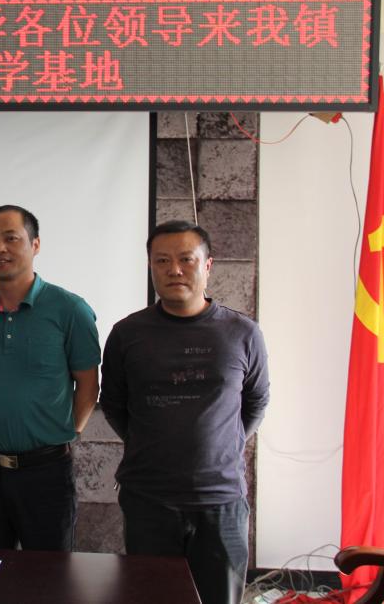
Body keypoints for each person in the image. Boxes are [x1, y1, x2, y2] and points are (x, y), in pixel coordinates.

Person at [100, 219, 270, 604]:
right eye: (162, 261)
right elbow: (114, 404)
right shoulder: (127, 334)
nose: (174, 269)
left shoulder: (243, 333)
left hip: (221, 501)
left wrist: (221, 444)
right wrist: (153, 443)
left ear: (208, 265)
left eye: (186, 259)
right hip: (149, 499)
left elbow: (256, 402)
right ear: (150, 266)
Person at [0, 205, 100, 551]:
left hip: (46, 474)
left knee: (49, 575)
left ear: (35, 245)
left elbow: (88, 387)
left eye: (11, 238)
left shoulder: (70, 309)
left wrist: (63, 435)